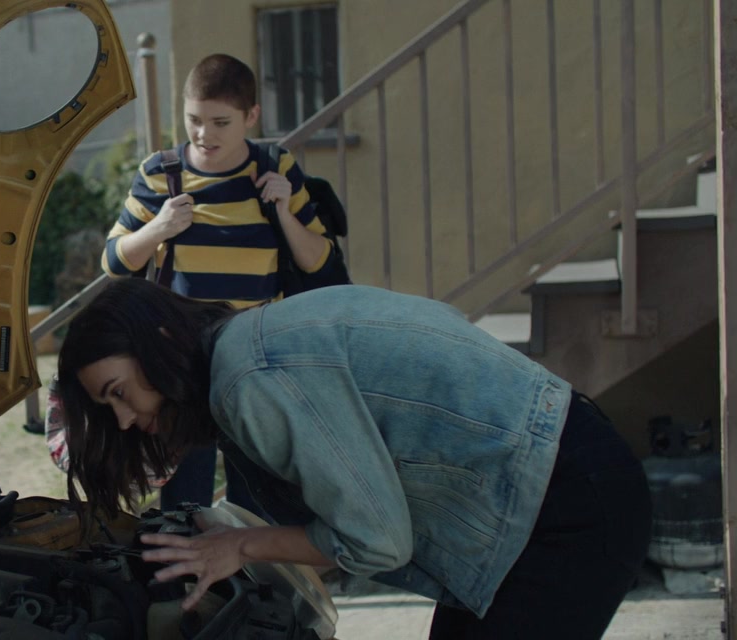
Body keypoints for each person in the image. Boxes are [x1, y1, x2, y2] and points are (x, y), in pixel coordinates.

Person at [55, 277, 651, 639]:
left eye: (118, 393)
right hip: (545, 490)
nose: (124, 420)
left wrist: (241, 546)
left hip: (566, 506)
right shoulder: (249, 344)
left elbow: (375, 541)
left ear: (159, 340)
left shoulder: (246, 378)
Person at [95, 52, 348, 510]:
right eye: (193, 120)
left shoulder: (275, 167)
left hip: (258, 363)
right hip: (182, 364)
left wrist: (285, 213)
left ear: (251, 116)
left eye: (220, 122)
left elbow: (320, 263)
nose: (203, 134)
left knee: (257, 504)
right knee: (184, 507)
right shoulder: (161, 173)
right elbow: (113, 261)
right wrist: (158, 228)